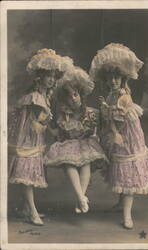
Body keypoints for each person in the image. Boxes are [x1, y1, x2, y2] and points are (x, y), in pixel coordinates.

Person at [89, 43, 148, 229]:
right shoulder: (111, 94)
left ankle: (127, 215)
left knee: (127, 170)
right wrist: (104, 109)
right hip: (116, 135)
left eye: (116, 77)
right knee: (119, 168)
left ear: (123, 78)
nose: (113, 81)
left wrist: (113, 129)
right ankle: (120, 204)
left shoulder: (123, 96)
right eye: (109, 79)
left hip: (126, 138)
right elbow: (109, 116)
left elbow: (119, 119)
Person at [8, 48, 74, 225]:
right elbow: (34, 124)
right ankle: (33, 212)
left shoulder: (44, 96)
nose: (52, 79)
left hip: (34, 139)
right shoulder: (35, 97)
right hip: (27, 139)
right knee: (27, 174)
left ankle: (25, 208)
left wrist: (54, 130)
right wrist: (46, 126)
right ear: (40, 77)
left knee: (29, 173)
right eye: (48, 76)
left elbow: (40, 124)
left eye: (54, 76)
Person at [44, 66, 108, 213]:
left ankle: (81, 198)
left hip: (85, 143)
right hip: (69, 145)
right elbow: (57, 132)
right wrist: (48, 124)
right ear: (65, 100)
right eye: (69, 97)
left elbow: (98, 129)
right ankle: (81, 198)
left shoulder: (91, 113)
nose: (73, 99)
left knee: (86, 163)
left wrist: (96, 132)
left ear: (81, 95)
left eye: (75, 95)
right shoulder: (64, 114)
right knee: (68, 164)